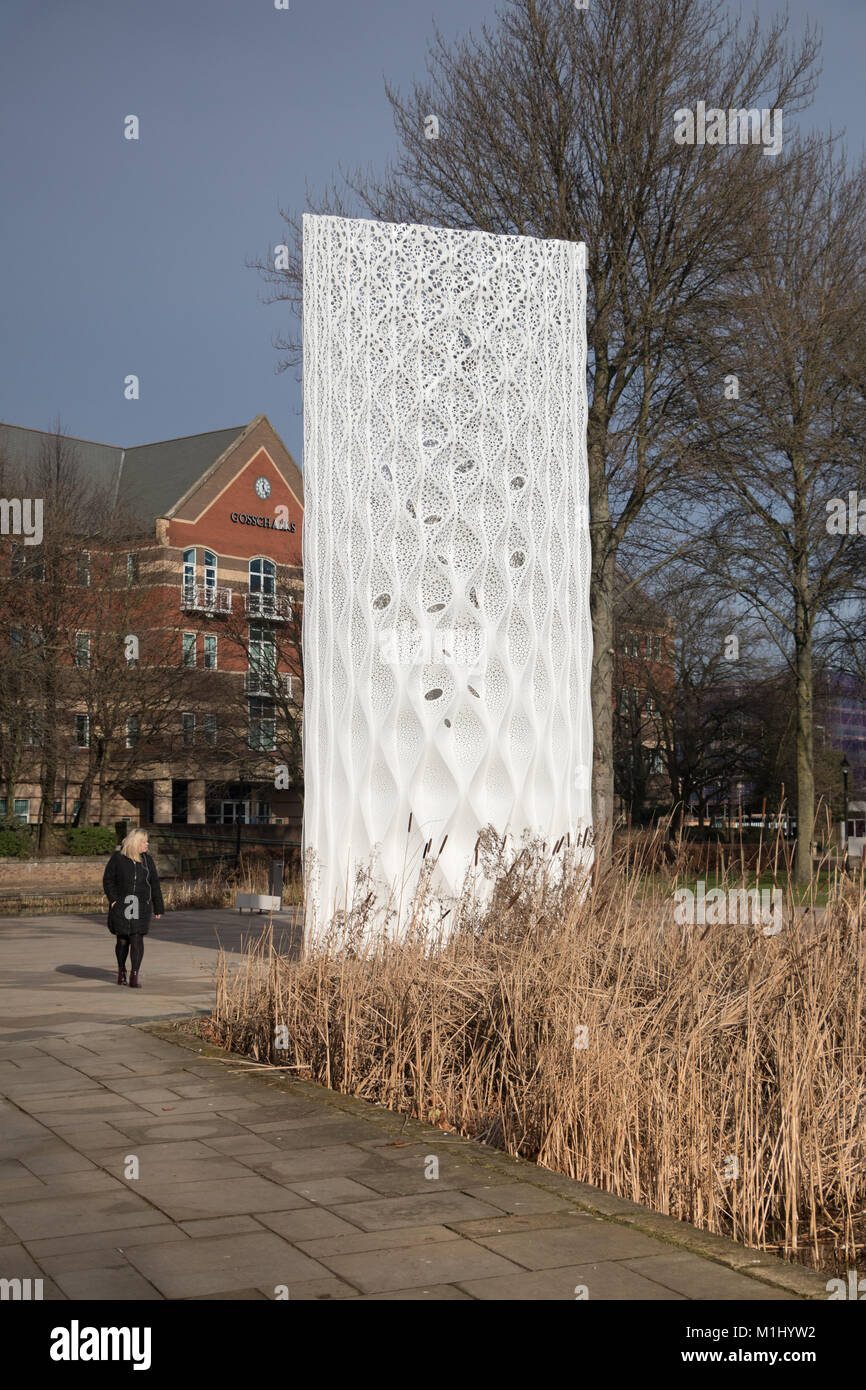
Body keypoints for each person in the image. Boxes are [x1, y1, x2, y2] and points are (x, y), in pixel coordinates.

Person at [103, 829, 164, 988]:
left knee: (137, 938)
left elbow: (155, 884)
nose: (147, 844)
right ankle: (121, 971)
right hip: (123, 903)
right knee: (123, 939)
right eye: (144, 841)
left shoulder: (147, 860)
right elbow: (108, 880)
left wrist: (158, 907)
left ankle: (134, 975)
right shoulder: (118, 858)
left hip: (141, 904)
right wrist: (114, 900)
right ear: (136, 843)